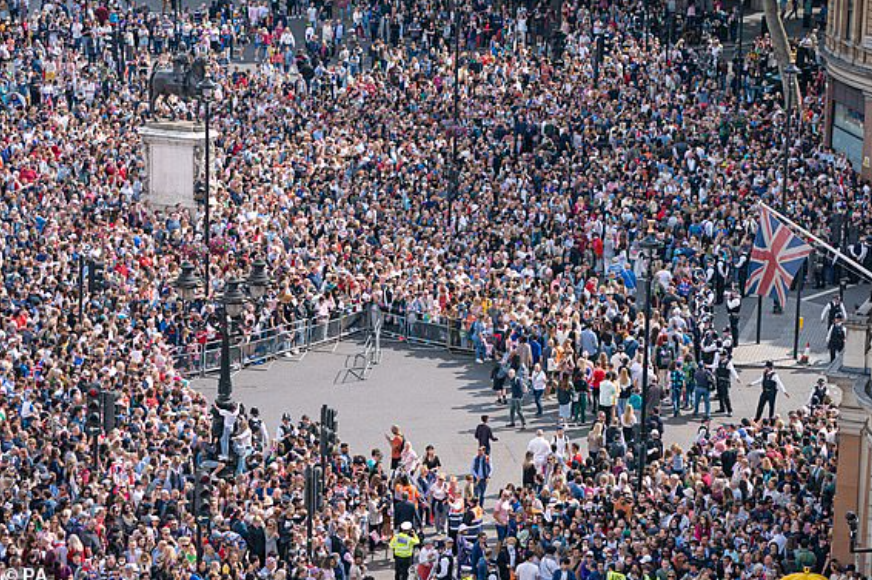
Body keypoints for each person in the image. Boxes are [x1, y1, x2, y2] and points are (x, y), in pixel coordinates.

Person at [714, 351, 741, 416]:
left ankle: (729, 410)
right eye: (720, 355)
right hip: (719, 380)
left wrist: (737, 377)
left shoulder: (728, 363)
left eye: (721, 356)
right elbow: (715, 366)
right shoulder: (719, 361)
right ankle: (722, 408)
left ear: (725, 356)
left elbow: (732, 370)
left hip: (725, 381)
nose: (720, 357)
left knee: (726, 396)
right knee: (720, 395)